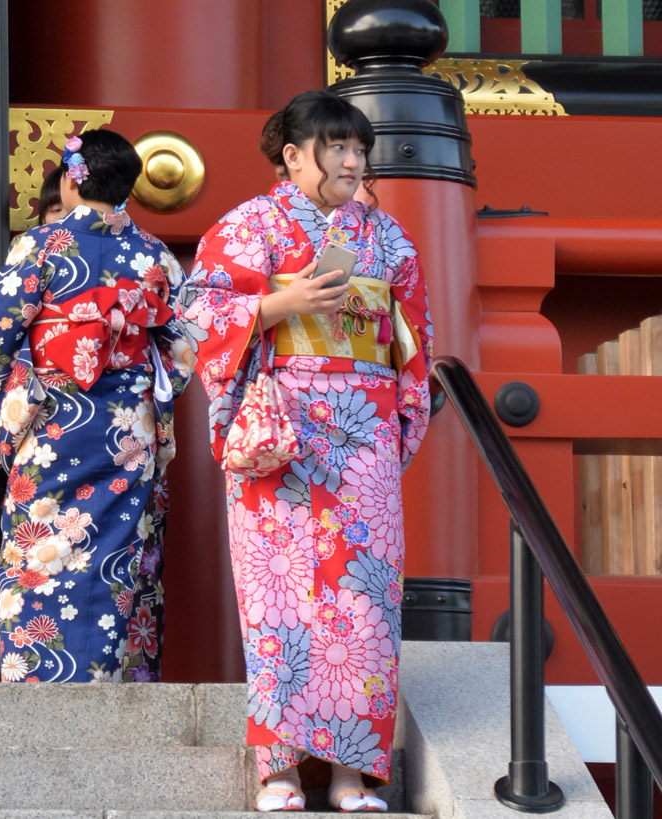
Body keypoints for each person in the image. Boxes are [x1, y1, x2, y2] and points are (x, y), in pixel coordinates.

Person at [178, 90, 432, 811]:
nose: (354, 162)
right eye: (337, 147)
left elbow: (413, 333)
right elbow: (198, 312)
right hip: (281, 428)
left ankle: (353, 772)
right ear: (292, 156)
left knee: (365, 600)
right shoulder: (249, 225)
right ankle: (279, 771)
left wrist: (399, 417)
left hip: (363, 428)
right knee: (278, 598)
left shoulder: (388, 237)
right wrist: (277, 305)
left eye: (360, 149)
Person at [0, 128, 194, 683]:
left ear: (72, 182)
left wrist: (12, 389)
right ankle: (113, 676)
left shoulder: (40, 245)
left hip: (54, 423)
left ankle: (39, 678)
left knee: (40, 546)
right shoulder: (156, 256)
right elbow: (183, 352)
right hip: (127, 428)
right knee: (120, 549)